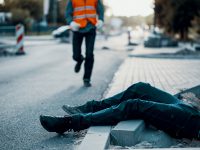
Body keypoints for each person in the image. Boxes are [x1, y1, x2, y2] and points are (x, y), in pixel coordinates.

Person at [40, 82, 200, 140]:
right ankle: (87, 108)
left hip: (193, 121)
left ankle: (72, 122)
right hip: (188, 105)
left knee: (134, 105)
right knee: (140, 87)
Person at [66, 0, 104, 87]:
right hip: (77, 28)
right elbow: (68, 13)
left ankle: (87, 78)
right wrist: (71, 22)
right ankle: (79, 60)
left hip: (91, 28)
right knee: (75, 55)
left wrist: (101, 20)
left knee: (89, 54)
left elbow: (100, 11)